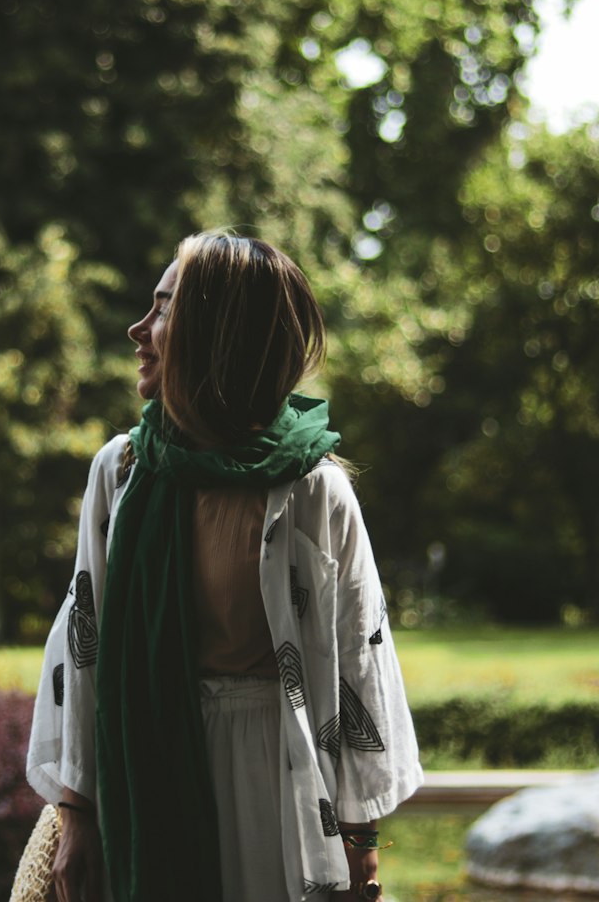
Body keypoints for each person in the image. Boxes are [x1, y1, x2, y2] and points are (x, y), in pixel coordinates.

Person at [27, 232, 422, 902]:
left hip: (279, 785)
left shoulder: (312, 490)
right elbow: (83, 650)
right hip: (146, 778)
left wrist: (359, 842)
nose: (138, 329)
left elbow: (361, 661)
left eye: (163, 310)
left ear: (218, 333)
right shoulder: (122, 474)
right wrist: (76, 816)